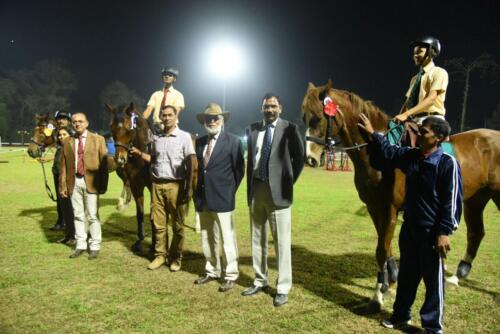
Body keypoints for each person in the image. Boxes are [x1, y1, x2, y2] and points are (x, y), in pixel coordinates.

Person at [358, 114, 463, 334]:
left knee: (433, 284)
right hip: (410, 229)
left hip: (432, 233)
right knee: (406, 276)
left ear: (439, 137)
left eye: (424, 131)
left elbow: (451, 200)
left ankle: (433, 327)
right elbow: (389, 152)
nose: (419, 134)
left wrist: (444, 232)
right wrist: (373, 134)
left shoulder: (447, 163)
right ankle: (400, 316)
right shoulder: (412, 156)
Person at [242, 93, 305, 307]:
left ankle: (283, 287)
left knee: (281, 243)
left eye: (273, 106)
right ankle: (260, 280)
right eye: (266, 106)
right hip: (257, 189)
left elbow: (299, 158)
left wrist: (288, 182)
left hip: (279, 193)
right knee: (257, 239)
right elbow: (251, 159)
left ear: (280, 108)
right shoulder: (252, 129)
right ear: (261, 109)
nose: (269, 110)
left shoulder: (289, 128)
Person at [130, 105, 195, 272]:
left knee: (178, 225)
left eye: (169, 115)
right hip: (157, 186)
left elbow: (191, 162)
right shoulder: (156, 139)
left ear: (176, 117)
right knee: (158, 224)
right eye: (163, 115)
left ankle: (175, 257)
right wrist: (139, 153)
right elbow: (152, 159)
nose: (166, 118)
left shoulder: (184, 137)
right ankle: (160, 255)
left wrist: (189, 187)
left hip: (176, 185)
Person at [193, 103, 245, 292]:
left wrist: (229, 191)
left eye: (216, 118)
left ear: (222, 120)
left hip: (223, 199)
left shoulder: (233, 141)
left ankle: (231, 274)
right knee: (207, 238)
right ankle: (212, 271)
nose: (212, 121)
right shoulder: (199, 142)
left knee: (227, 238)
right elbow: (200, 170)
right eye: (208, 118)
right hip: (203, 198)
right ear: (204, 122)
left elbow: (239, 171)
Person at [59, 112, 109, 260]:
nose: (77, 124)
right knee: (78, 215)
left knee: (92, 216)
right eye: (74, 122)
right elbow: (63, 167)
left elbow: (104, 165)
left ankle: (95, 246)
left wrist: (103, 186)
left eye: (80, 121)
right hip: (73, 182)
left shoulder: (98, 139)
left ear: (87, 123)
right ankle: (80, 245)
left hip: (91, 183)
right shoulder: (67, 141)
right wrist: (63, 186)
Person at [395, 36, 448, 125]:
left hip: (432, 119)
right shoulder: (414, 79)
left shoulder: (439, 72)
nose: (415, 55)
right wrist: (398, 117)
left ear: (431, 52)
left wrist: (406, 114)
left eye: (419, 52)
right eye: (414, 53)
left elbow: (431, 99)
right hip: (414, 120)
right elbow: (407, 103)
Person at [49, 110, 73, 231]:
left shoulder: (72, 134)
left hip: (67, 173)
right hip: (57, 171)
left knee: (67, 198)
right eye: (59, 118)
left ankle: (69, 224)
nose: (61, 120)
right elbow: (59, 152)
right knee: (59, 198)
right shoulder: (57, 133)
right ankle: (61, 221)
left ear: (68, 121)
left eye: (63, 118)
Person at [143, 67, 185, 133]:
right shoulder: (155, 94)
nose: (167, 76)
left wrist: (166, 126)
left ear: (175, 79)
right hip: (155, 128)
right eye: (165, 75)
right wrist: (140, 120)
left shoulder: (178, 95)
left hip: (170, 127)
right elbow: (148, 110)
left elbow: (176, 112)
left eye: (170, 75)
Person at [53, 126, 76, 245]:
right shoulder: (61, 148)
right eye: (59, 135)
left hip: (68, 185)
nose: (61, 137)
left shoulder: (71, 147)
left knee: (71, 212)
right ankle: (68, 235)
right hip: (60, 184)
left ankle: (74, 236)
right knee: (65, 211)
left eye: (64, 134)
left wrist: (67, 185)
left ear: (71, 135)